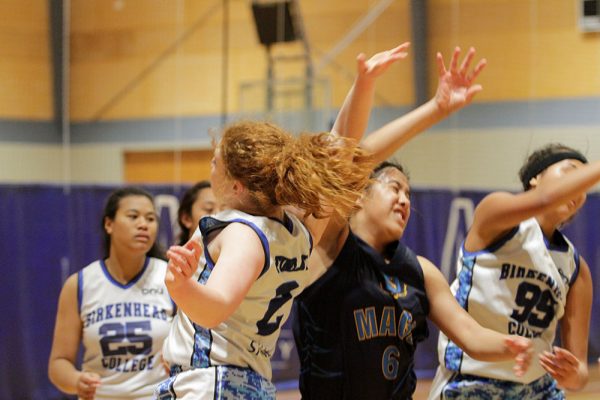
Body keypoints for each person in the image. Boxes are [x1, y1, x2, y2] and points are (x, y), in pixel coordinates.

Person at [293, 46, 533, 400]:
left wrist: (510, 344)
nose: (404, 199)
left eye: (409, 193)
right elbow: (350, 159)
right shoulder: (328, 243)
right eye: (394, 187)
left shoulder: (420, 272)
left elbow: (470, 335)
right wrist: (430, 106)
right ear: (358, 194)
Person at [154, 115, 376, 398]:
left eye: (215, 162)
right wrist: (365, 82)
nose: (210, 166)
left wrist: (180, 286)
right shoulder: (298, 234)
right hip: (249, 385)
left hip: (211, 384)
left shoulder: (243, 235)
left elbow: (213, 310)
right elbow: (341, 147)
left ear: (236, 185)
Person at [428, 143, 594, 399]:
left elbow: (580, 370)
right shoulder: (497, 215)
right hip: (471, 382)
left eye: (584, 185)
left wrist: (573, 375)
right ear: (536, 178)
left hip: (537, 388)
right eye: (570, 173)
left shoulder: (576, 268)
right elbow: (546, 199)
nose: (577, 188)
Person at [48, 187, 176, 400]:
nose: (143, 224)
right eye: (133, 216)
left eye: (151, 218)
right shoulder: (79, 284)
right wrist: (76, 381)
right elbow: (58, 363)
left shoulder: (171, 277)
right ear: (109, 224)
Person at [176, 180, 218, 245]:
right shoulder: (173, 254)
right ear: (186, 218)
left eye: (223, 210)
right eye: (209, 209)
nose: (219, 215)